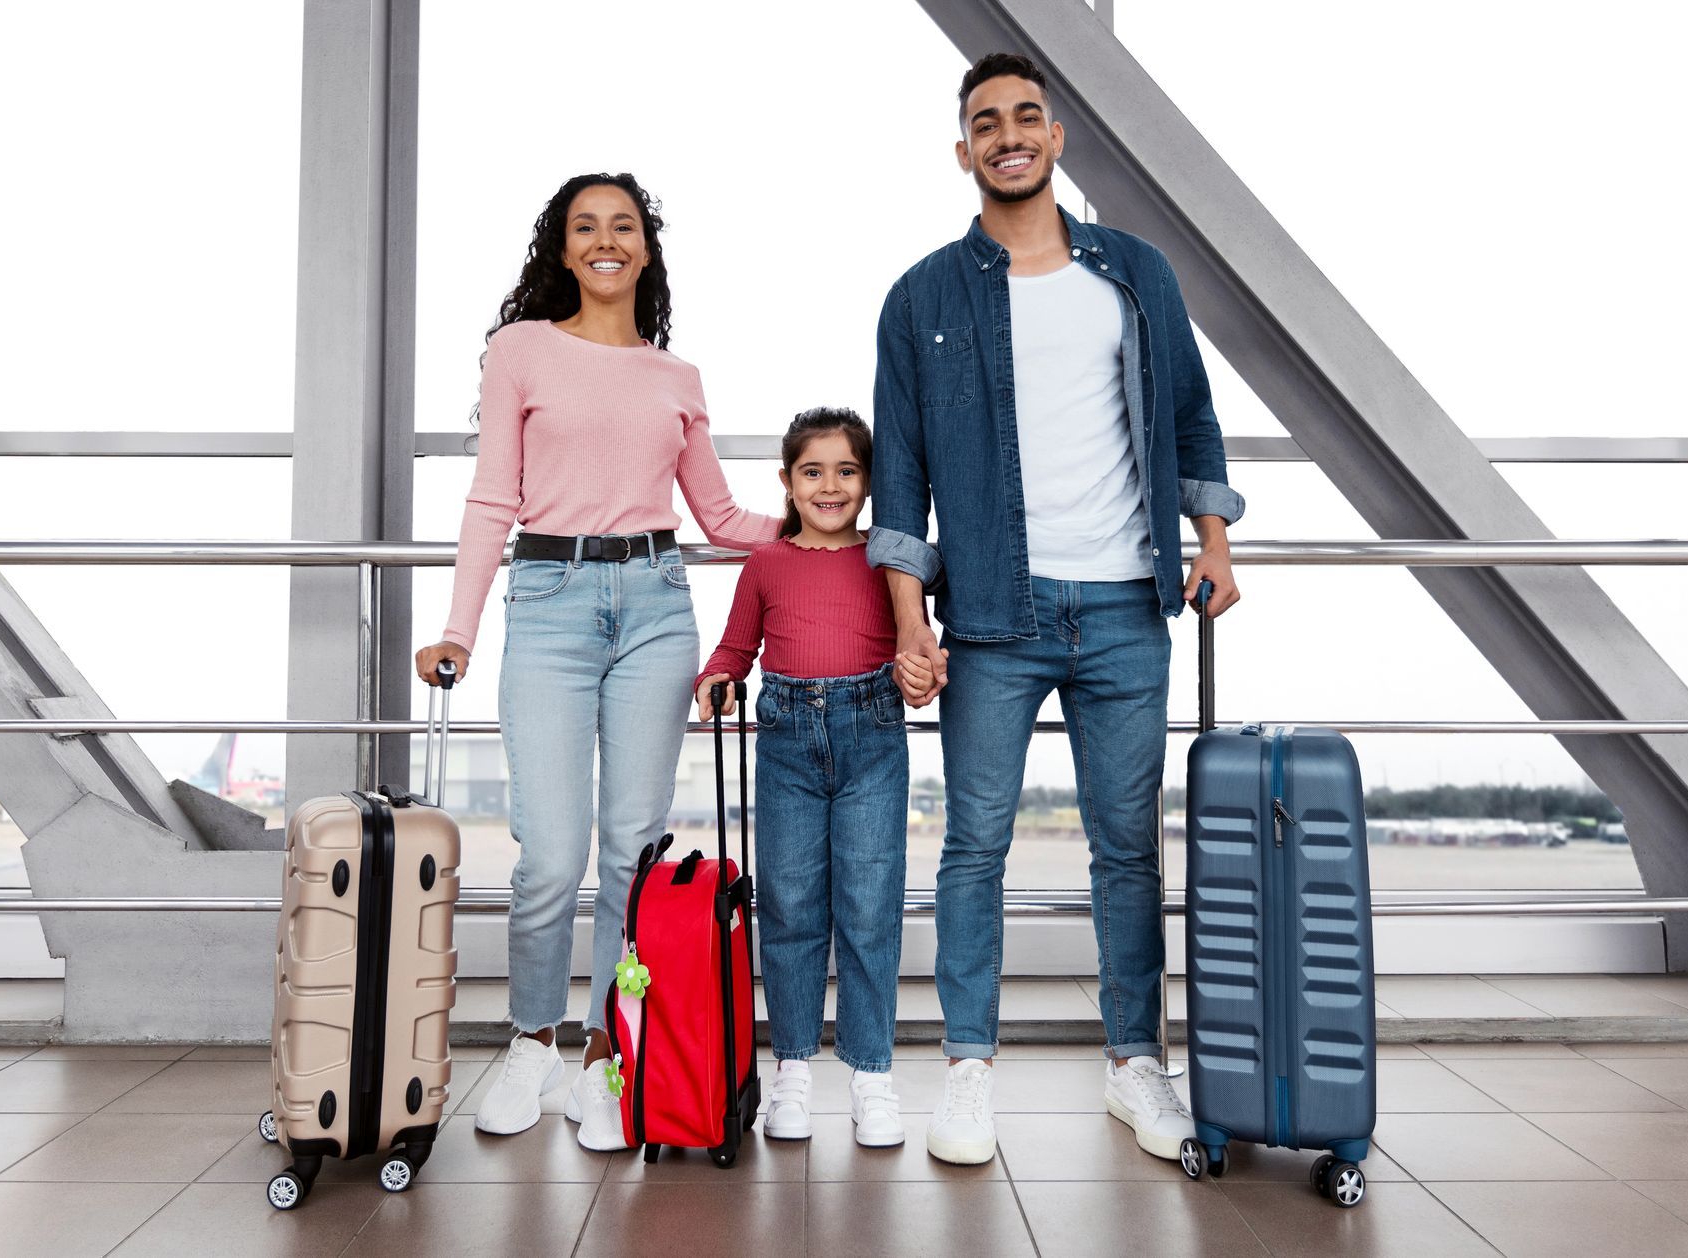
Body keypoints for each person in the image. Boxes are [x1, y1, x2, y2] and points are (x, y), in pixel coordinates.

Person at [870, 53, 1245, 1166]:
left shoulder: (1135, 274)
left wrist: (1214, 541)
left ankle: (1136, 1062)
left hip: (1128, 603)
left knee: (1127, 847)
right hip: (989, 612)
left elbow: (1190, 413)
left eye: (1026, 116)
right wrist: (908, 623)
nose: (1009, 134)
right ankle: (970, 1069)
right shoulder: (923, 295)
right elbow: (901, 479)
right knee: (974, 845)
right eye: (986, 122)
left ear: (1057, 136)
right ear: (964, 151)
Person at [414, 173, 779, 1153]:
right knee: (551, 855)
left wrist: (832, 528)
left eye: (624, 226)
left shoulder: (677, 377)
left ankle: (608, 1058)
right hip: (549, 606)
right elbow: (494, 498)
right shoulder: (520, 350)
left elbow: (723, 518)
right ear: (563, 248)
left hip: (658, 606)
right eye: (587, 227)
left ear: (645, 249)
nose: (606, 240)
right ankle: (530, 1039)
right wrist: (459, 627)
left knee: (632, 850)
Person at [694, 407, 909, 1149]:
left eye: (847, 471)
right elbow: (735, 646)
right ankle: (791, 1070)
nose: (830, 486)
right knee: (787, 905)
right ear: (786, 482)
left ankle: (872, 1077)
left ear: (869, 480)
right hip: (785, 738)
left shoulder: (889, 560)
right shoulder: (767, 564)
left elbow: (919, 641)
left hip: (873, 734)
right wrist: (718, 677)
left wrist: (922, 667)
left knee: (870, 904)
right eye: (812, 472)